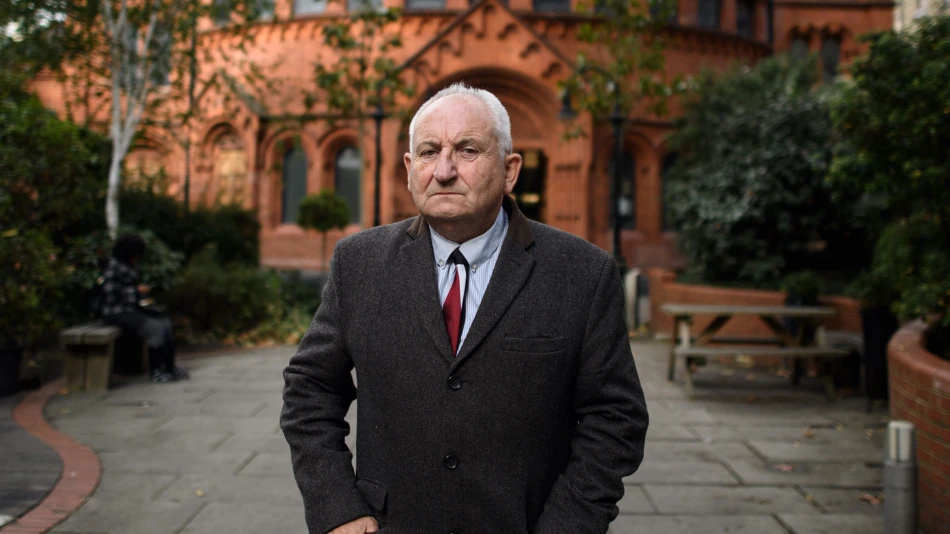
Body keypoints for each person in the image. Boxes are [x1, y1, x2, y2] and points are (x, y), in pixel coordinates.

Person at [281, 83, 649, 534]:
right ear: (410, 168)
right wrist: (337, 507)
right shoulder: (359, 263)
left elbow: (615, 418)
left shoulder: (583, 273)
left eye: (468, 150)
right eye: (429, 151)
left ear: (510, 170)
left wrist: (568, 524)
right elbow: (309, 389)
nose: (445, 170)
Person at [99, 234, 188, 383]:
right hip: (116, 313)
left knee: (165, 324)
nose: (138, 258)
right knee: (156, 328)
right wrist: (136, 292)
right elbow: (111, 296)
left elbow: (127, 290)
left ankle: (169, 367)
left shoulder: (124, 266)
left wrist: (136, 291)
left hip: (129, 310)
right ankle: (156, 371)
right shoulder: (113, 267)